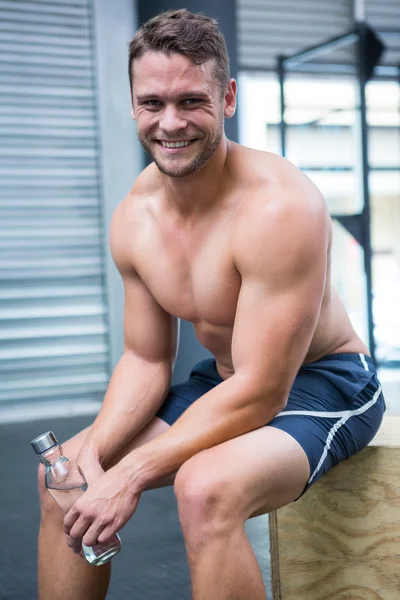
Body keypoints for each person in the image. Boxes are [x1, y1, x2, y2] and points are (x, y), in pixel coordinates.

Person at [38, 9, 386, 600]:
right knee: (60, 480)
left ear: (226, 98)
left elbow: (262, 390)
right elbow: (146, 360)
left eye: (190, 101)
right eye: (152, 103)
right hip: (224, 383)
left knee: (205, 488)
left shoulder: (280, 207)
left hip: (325, 385)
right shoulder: (134, 217)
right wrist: (93, 455)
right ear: (131, 104)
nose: (170, 123)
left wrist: (127, 474)